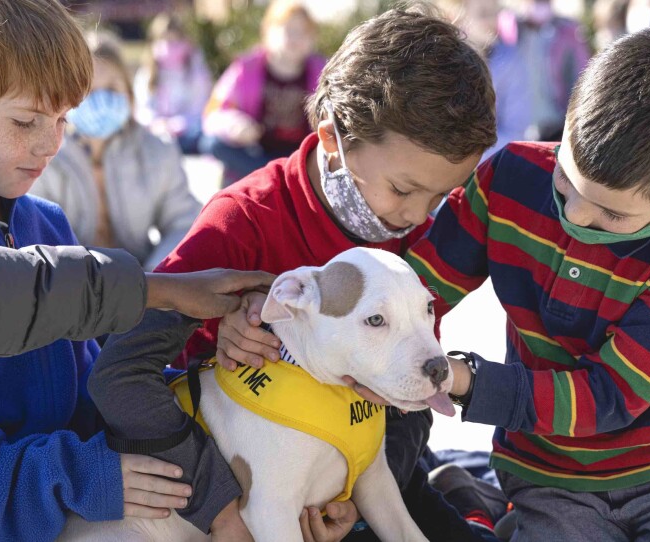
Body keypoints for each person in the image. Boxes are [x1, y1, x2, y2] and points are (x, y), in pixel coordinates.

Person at [87, 4, 499, 541]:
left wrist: (359, 495)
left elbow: (416, 392)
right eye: (402, 190)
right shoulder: (241, 225)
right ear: (332, 139)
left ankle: (461, 493)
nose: (417, 216)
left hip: (352, 475)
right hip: (223, 499)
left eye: (441, 196)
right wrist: (215, 501)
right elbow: (120, 375)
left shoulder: (411, 236)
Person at [0, 1, 273, 540]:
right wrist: (77, 475)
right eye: (26, 121)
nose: (51, 143)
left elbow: (96, 387)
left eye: (63, 118)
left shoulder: (48, 223)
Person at [401, 26, 650, 539]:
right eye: (566, 180)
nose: (577, 215)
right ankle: (483, 499)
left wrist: (463, 379)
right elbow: (419, 287)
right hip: (547, 470)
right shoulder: (509, 177)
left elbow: (609, 395)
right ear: (568, 118)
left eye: (612, 214)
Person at [33, 30, 201, 271]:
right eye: (87, 90)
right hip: (70, 291)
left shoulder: (158, 151)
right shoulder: (43, 157)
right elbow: (34, 236)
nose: (100, 99)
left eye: (111, 88)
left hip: (146, 285)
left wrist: (156, 278)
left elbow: (184, 223)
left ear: (129, 94)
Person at [200, 0, 325, 186]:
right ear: (268, 32)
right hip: (256, 152)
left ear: (312, 38)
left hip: (300, 155)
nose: (295, 38)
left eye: (302, 32)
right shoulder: (246, 68)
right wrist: (235, 125)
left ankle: (280, 179)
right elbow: (214, 113)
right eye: (288, 29)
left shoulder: (321, 70)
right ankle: (276, 180)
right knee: (211, 143)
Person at [481, 0, 590, 157]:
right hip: (516, 131)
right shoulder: (508, 28)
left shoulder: (568, 32)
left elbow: (581, 77)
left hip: (555, 127)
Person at [133, 11, 213, 155]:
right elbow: (143, 108)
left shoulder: (196, 73)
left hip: (188, 134)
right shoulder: (146, 74)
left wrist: (177, 125)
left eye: (175, 41)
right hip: (155, 132)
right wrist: (157, 124)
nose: (169, 47)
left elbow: (199, 109)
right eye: (165, 40)